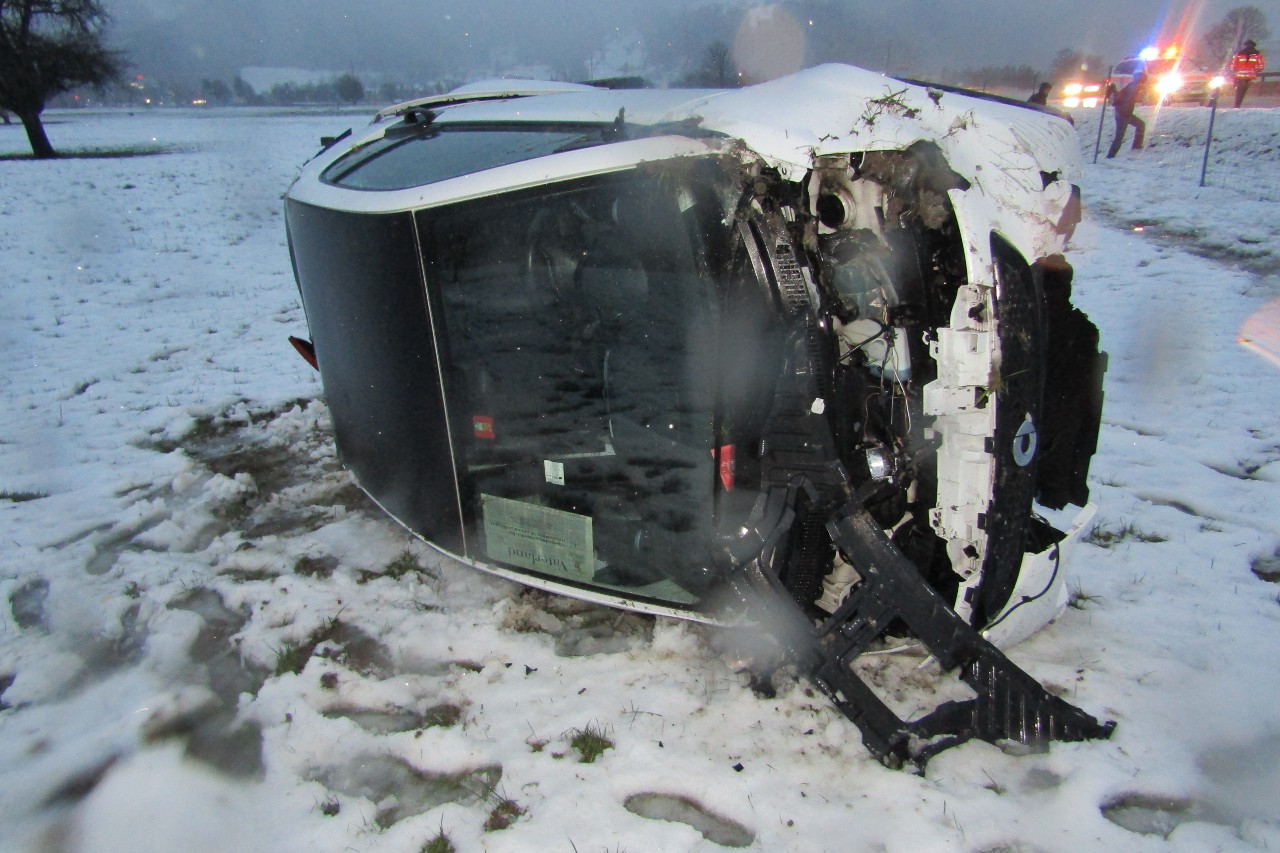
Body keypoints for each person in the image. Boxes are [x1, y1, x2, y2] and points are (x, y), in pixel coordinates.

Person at [1106, 72, 1146, 158]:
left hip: (1126, 113)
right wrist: (1124, 111)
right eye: (1143, 81)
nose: (1144, 84)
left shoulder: (1133, 86)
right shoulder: (1132, 87)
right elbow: (1122, 99)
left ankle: (1136, 146)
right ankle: (1111, 155)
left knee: (1141, 125)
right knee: (1119, 136)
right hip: (1122, 114)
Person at [1228, 39, 1265, 108]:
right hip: (1250, 76)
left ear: (1245, 46)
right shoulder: (1257, 54)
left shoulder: (1239, 53)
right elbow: (1261, 65)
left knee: (1239, 90)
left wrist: (1234, 70)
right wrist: (1256, 70)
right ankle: (1238, 104)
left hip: (1240, 76)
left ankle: (1237, 104)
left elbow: (1233, 64)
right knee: (1243, 90)